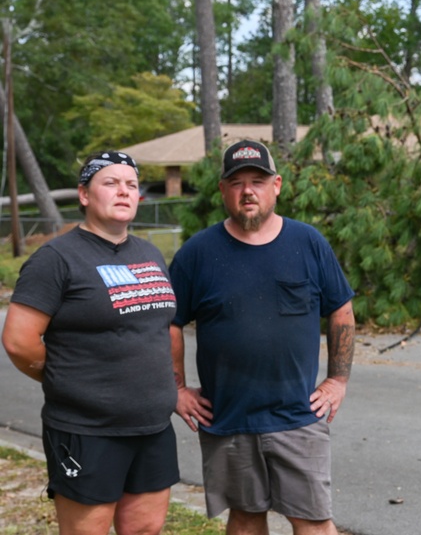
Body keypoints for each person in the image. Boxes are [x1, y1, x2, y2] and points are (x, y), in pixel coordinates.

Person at [170, 139, 355, 535]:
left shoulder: (308, 244)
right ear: (223, 190)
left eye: (258, 180)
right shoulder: (196, 254)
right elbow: (169, 324)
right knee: (245, 519)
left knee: (314, 522)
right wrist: (178, 388)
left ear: (277, 185)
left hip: (297, 416)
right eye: (236, 182)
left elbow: (341, 309)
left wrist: (338, 380)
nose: (247, 190)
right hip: (228, 418)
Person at [1, 151, 179, 535]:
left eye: (131, 185)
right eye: (110, 183)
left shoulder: (149, 254)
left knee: (146, 528)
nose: (123, 191)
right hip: (87, 430)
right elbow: (19, 341)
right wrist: (68, 378)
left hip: (152, 427)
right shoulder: (57, 258)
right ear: (84, 194)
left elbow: (161, 330)